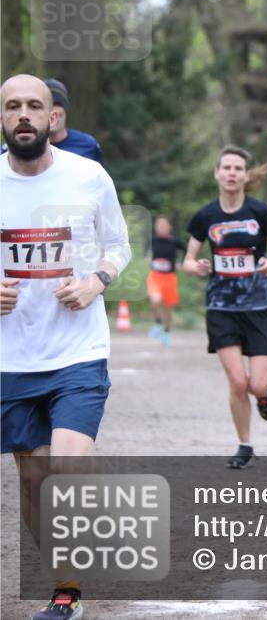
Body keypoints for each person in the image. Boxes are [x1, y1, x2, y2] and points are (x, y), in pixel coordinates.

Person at [1, 74, 131, 620]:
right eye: (13, 106)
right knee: (33, 480)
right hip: (12, 358)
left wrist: (96, 281)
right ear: (2, 119)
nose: (24, 114)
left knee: (67, 468)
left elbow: (119, 246)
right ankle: (66, 578)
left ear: (54, 116)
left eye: (35, 105)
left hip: (78, 351)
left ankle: (66, 587)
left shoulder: (88, 176)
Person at [183, 145, 267, 469]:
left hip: (259, 306)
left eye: (237, 168)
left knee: (258, 385)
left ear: (244, 175)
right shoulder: (205, 216)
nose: (231, 173)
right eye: (226, 167)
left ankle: (265, 397)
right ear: (217, 173)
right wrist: (195, 266)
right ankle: (245, 445)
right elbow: (186, 260)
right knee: (238, 383)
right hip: (221, 306)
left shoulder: (260, 212)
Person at [146, 215, 186, 347]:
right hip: (155, 276)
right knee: (155, 300)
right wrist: (148, 258)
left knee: (168, 310)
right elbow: (145, 251)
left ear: (169, 227)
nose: (161, 228)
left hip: (170, 278)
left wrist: (181, 263)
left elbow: (187, 251)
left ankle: (167, 332)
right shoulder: (152, 239)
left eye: (164, 225)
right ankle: (158, 323)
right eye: (158, 225)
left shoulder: (174, 241)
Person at [44, 79, 104, 164]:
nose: (53, 111)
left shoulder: (88, 145)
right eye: (47, 105)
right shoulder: (29, 147)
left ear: (66, 108)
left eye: (57, 104)